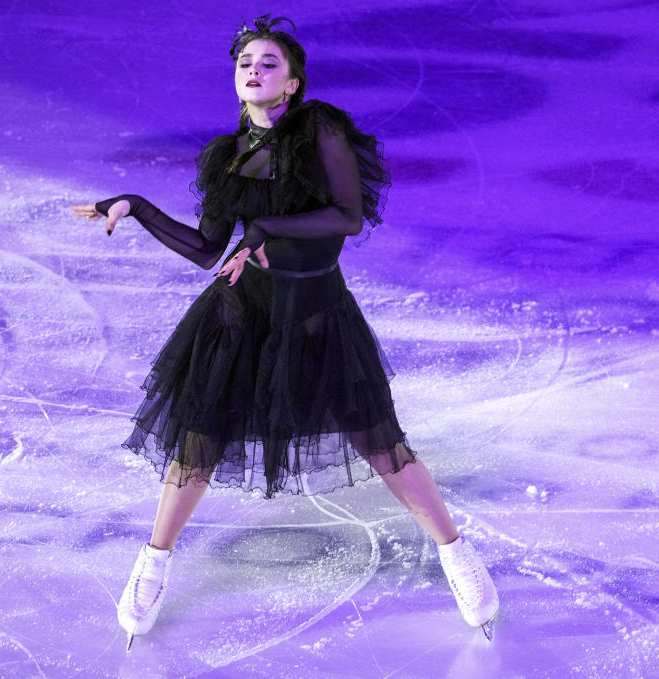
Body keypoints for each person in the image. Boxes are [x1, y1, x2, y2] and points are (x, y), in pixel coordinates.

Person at [71, 15, 499, 651]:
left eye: (269, 63)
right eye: (245, 62)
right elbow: (206, 250)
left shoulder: (318, 130)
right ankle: (153, 562)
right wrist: (135, 205)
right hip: (240, 315)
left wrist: (266, 233)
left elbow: (347, 217)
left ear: (292, 82)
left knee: (380, 441)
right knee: (200, 441)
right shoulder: (226, 157)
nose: (254, 70)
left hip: (318, 312)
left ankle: (457, 555)